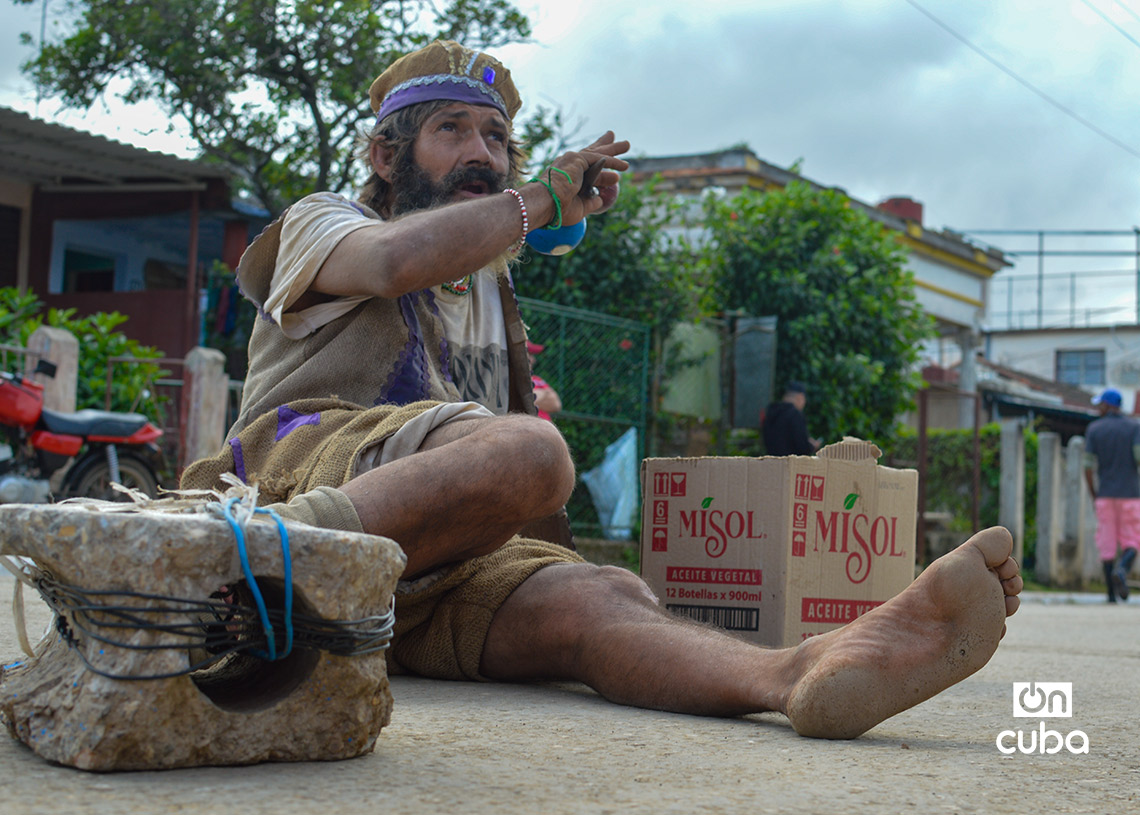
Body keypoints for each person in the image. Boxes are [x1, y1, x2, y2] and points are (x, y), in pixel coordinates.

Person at [183, 39, 1022, 740]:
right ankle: (239, 555)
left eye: (496, 137)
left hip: (405, 575)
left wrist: (542, 560)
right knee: (531, 448)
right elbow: (398, 263)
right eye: (451, 130)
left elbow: (497, 477)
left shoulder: (488, 291)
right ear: (384, 155)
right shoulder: (324, 221)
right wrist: (541, 198)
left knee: (602, 597)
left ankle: (800, 672)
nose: (482, 153)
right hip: (295, 477)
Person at [1083, 387, 1140, 602]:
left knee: (1107, 543)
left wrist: (1094, 494)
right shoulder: (1134, 427)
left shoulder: (1095, 429)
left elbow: (1087, 466)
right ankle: (1123, 570)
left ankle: (1110, 596)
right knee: (1133, 539)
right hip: (1131, 494)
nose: (1098, 408)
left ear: (1108, 406)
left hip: (1105, 495)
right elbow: (1138, 457)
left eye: (1101, 404)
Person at [763, 381, 821, 456]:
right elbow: (802, 448)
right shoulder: (795, 415)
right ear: (800, 397)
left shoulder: (771, 412)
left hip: (772, 463)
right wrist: (812, 446)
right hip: (790, 464)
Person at [527, 340, 561, 421]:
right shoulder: (510, 378)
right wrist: (544, 394)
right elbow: (523, 403)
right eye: (530, 354)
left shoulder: (537, 379)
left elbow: (556, 405)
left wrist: (537, 396)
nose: (533, 360)